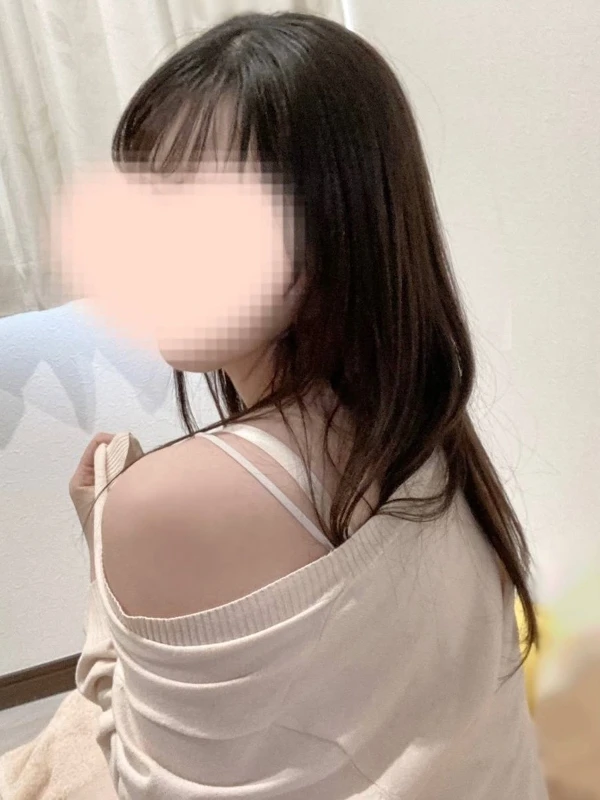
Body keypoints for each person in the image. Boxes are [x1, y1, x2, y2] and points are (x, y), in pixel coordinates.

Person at [70, 11, 549, 799]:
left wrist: (101, 558)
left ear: (336, 222)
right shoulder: (427, 426)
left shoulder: (157, 504)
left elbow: (141, 784)